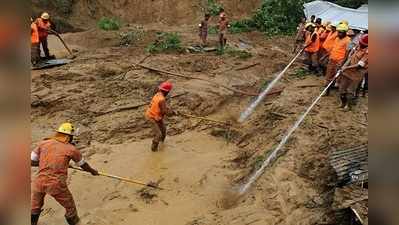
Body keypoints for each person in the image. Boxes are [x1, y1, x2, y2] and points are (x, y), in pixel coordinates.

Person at [31, 123, 99, 225]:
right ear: (68, 136)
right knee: (70, 206)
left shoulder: (43, 143)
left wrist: (51, 164)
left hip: (38, 182)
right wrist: (92, 171)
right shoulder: (71, 149)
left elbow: (31, 161)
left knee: (35, 206)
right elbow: (83, 165)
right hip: (56, 184)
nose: (72, 139)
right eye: (72, 136)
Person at [338, 34, 368, 110]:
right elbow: (350, 58)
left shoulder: (368, 53)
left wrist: (346, 67)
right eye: (360, 42)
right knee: (342, 89)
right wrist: (343, 66)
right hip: (347, 71)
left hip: (357, 73)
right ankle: (342, 102)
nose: (360, 44)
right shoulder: (357, 46)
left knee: (350, 91)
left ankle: (348, 106)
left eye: (362, 44)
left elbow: (359, 65)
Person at [324, 23, 351, 95]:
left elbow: (347, 53)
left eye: (340, 32)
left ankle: (338, 89)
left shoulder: (348, 41)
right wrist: (327, 56)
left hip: (339, 61)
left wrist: (342, 63)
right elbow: (333, 49)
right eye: (338, 32)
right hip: (332, 59)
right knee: (329, 74)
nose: (338, 33)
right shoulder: (336, 38)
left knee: (337, 76)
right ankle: (327, 90)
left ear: (345, 32)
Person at [145, 82, 173, 152]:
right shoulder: (162, 100)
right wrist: (172, 113)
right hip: (151, 117)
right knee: (158, 135)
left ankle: (162, 144)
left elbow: (161, 107)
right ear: (167, 91)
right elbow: (164, 112)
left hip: (156, 115)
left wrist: (168, 109)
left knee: (163, 130)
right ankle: (154, 151)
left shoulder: (158, 94)